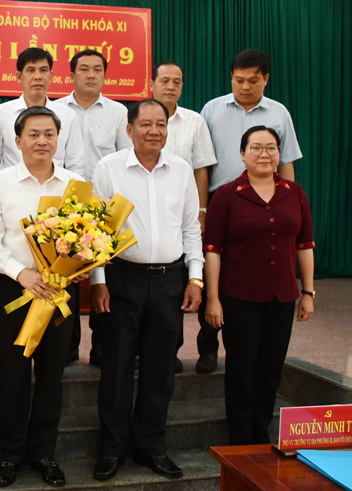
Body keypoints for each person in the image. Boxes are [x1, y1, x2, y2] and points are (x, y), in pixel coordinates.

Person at [0, 106, 91, 488]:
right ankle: (9, 455)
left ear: (58, 139)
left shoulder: (76, 185)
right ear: (18, 140)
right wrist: (21, 273)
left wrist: (83, 264)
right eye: (34, 134)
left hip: (59, 291)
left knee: (51, 375)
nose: (42, 141)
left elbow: (88, 237)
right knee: (13, 375)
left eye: (49, 134)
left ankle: (44, 453)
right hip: (16, 290)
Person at [90, 99, 203, 481]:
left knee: (161, 369)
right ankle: (112, 448)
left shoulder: (182, 170)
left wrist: (195, 277)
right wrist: (98, 282)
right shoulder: (109, 168)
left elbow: (191, 228)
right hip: (123, 280)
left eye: (161, 124)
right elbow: (96, 231)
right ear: (130, 129)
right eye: (146, 124)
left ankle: (151, 446)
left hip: (170, 281)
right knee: (117, 367)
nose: (154, 131)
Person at [204, 125, 315, 445]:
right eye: (256, 148)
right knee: (241, 370)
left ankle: (260, 435)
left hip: (283, 297)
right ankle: (240, 442)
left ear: (279, 154)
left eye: (271, 148)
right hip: (239, 297)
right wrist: (213, 298)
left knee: (270, 370)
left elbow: (305, 245)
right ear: (242, 154)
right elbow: (212, 251)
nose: (264, 154)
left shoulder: (295, 193)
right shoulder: (226, 195)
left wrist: (308, 292)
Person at [197, 49, 302, 373]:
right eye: (239, 80)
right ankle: (208, 347)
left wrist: (289, 202)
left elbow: (286, 161)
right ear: (231, 77)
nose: (245, 86)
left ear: (265, 79)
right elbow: (202, 163)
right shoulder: (212, 109)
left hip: (268, 199)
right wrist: (202, 209)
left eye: (253, 80)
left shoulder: (279, 113)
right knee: (213, 270)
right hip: (220, 200)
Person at [51, 49, 132, 366]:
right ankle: (67, 346)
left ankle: (101, 347)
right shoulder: (56, 110)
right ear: (71, 75)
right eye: (83, 69)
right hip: (64, 203)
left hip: (105, 203)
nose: (90, 74)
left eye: (97, 69)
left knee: (104, 275)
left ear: (105, 75)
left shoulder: (118, 113)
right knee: (67, 274)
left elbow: (125, 158)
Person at [150, 60, 217, 372]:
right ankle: (157, 349)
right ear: (151, 84)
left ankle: (188, 349)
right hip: (147, 215)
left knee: (184, 280)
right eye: (165, 80)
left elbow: (201, 169)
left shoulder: (194, 121)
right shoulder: (138, 117)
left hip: (184, 215)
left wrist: (201, 211)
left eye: (177, 81)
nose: (171, 86)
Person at [0, 47, 84, 177]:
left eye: (43, 70)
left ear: (51, 76)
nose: (37, 77)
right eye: (31, 70)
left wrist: (74, 191)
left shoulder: (68, 115)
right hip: (12, 188)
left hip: (56, 188)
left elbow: (76, 165)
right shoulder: (1, 113)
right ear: (19, 77)